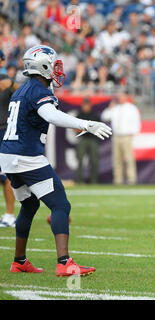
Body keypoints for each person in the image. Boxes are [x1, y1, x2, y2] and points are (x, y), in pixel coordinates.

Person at [0, 45, 112, 275]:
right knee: (60, 205)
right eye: (53, 63)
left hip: (9, 154)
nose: (57, 68)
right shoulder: (38, 90)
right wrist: (85, 124)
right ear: (42, 65)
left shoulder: (22, 90)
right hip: (26, 155)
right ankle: (64, 263)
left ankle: (19, 261)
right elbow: (49, 115)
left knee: (29, 205)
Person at [101, 91, 141, 185]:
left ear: (126, 96)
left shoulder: (132, 108)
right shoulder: (115, 108)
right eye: (119, 96)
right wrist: (110, 107)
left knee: (129, 159)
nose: (120, 97)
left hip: (127, 136)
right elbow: (104, 117)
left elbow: (136, 122)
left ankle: (131, 180)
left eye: (122, 96)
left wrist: (134, 133)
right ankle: (118, 180)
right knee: (117, 159)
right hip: (116, 136)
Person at [0, 53, 19, 228]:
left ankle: (10, 215)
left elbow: (23, 94)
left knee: (6, 175)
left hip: (3, 132)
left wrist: (12, 84)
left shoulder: (7, 80)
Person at [75, 97, 101, 184]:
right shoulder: (79, 115)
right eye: (84, 105)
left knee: (94, 160)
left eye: (87, 105)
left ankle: (93, 180)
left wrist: (85, 129)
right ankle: (79, 180)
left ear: (90, 105)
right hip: (82, 139)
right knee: (80, 160)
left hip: (92, 139)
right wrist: (88, 129)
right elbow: (75, 128)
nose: (85, 107)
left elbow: (99, 128)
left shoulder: (94, 115)